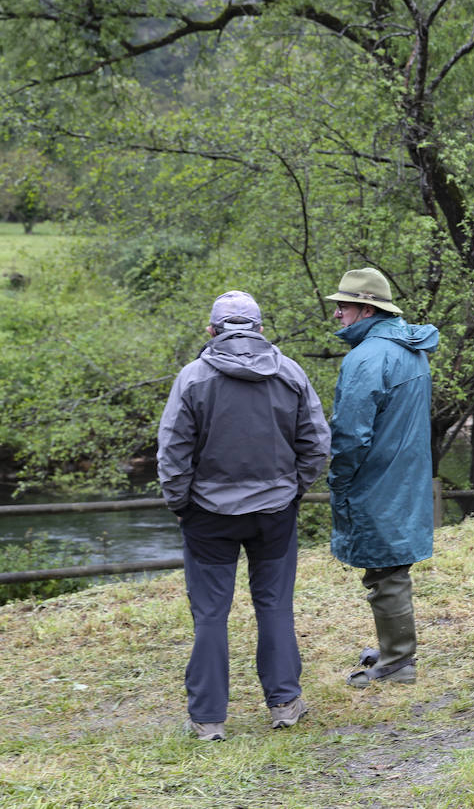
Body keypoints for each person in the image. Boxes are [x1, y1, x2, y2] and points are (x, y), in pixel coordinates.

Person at [158, 290, 330, 741]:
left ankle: (209, 720)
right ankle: (286, 705)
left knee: (211, 615)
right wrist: (292, 490)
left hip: (208, 515)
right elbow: (316, 444)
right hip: (274, 512)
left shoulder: (193, 378)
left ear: (212, 330)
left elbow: (173, 454)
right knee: (274, 606)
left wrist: (181, 504)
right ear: (258, 328)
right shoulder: (290, 373)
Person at [326, 268, 440, 688]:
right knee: (391, 565)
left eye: (343, 305)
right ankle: (393, 647)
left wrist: (339, 479)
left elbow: (351, 434)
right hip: (404, 474)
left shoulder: (367, 358)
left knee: (385, 571)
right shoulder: (408, 348)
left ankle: (397, 662)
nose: (337, 313)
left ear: (366, 307)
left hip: (378, 479)